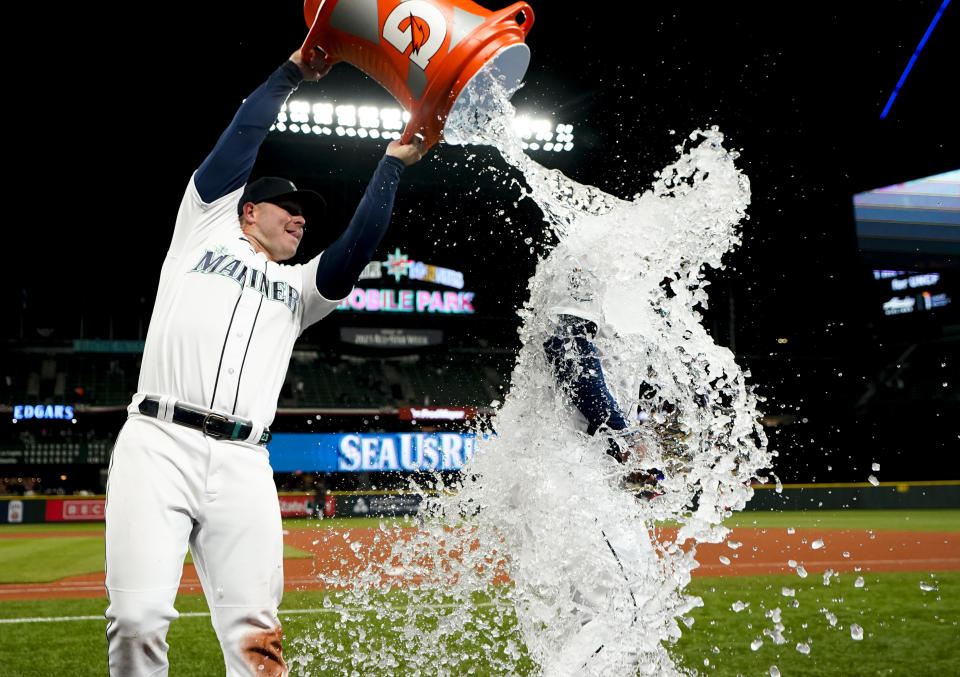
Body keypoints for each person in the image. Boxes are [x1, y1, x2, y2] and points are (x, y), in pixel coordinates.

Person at [103, 46, 426, 676]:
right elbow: (242, 136)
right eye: (290, 207)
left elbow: (357, 246)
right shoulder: (205, 227)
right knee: (137, 624)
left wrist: (389, 164)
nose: (303, 218)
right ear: (249, 209)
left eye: (308, 214)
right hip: (158, 441)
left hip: (245, 462)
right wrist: (292, 74)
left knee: (259, 642)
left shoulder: (301, 290)